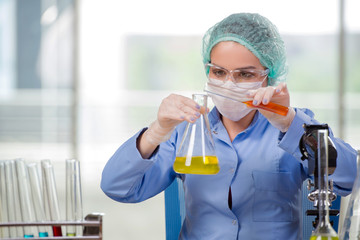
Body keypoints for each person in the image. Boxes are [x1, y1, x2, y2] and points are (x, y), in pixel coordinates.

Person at [101, 13, 357, 239]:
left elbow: (352, 179)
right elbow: (118, 188)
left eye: (245, 74)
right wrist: (156, 131)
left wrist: (289, 123)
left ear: (269, 74)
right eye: (219, 72)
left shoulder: (295, 129)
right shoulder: (188, 132)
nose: (229, 84)